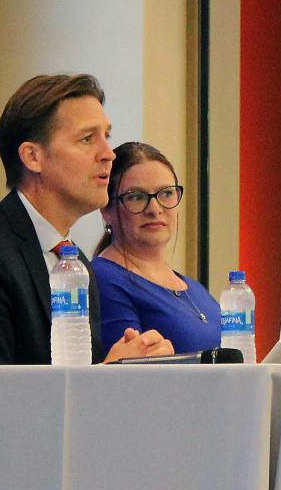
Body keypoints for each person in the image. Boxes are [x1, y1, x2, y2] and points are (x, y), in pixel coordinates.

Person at [0, 73, 174, 365]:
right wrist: (109, 374)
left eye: (107, 136)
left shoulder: (77, 268)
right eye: (87, 139)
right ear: (33, 157)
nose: (108, 154)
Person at [92, 142, 221, 355]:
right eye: (136, 197)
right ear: (106, 209)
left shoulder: (193, 288)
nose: (154, 209)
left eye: (166, 194)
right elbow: (126, 377)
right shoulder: (103, 279)